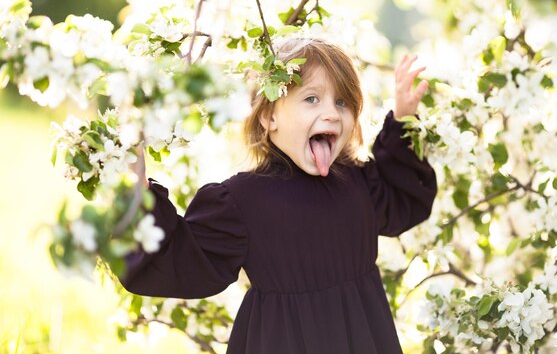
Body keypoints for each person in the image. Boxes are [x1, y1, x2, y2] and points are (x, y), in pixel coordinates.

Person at [119, 37, 438, 354]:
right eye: (311, 99)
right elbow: (181, 260)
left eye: (342, 102)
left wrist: (403, 118)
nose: (331, 113)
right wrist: (138, 188)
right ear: (268, 117)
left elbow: (405, 201)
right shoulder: (242, 200)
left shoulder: (357, 182)